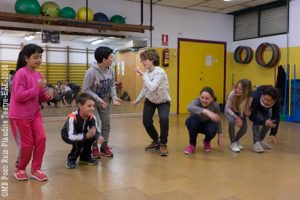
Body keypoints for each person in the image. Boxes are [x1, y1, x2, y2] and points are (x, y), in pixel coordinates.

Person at [8, 44, 54, 181]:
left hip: (34, 114)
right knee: (27, 145)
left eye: (40, 57)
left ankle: (36, 169)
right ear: (27, 58)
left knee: (41, 139)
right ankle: (20, 168)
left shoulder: (38, 74)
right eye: (35, 57)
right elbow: (19, 96)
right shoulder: (20, 74)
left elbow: (39, 96)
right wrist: (37, 88)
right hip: (19, 116)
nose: (39, 60)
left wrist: (47, 94)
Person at [82, 46, 122, 158]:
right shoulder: (91, 72)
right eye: (111, 57)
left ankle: (104, 146)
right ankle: (94, 146)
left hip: (105, 101)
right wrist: (98, 99)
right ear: (104, 59)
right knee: (95, 124)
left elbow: (111, 86)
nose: (112, 59)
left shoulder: (111, 71)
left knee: (106, 124)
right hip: (92, 102)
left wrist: (114, 97)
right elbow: (85, 89)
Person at [132, 48, 171, 156]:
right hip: (150, 100)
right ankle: (156, 140)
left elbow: (152, 87)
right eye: (142, 60)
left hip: (163, 101)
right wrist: (138, 100)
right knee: (146, 121)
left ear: (152, 59)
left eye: (145, 59)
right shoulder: (147, 73)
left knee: (164, 119)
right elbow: (146, 88)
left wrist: (142, 75)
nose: (143, 62)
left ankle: (163, 143)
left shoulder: (160, 72)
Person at [61, 93, 104, 169]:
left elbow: (95, 130)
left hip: (81, 132)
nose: (92, 108)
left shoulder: (91, 116)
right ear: (80, 105)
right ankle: (71, 159)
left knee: (92, 136)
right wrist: (86, 136)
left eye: (93, 106)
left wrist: (98, 136)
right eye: (89, 106)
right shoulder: (72, 117)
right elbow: (71, 136)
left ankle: (85, 158)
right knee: (79, 141)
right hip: (68, 135)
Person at [184, 87, 223, 154]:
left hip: (207, 125)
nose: (204, 100)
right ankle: (192, 145)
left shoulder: (215, 105)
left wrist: (220, 136)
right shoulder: (196, 101)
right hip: (195, 125)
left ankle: (207, 141)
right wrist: (205, 111)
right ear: (199, 97)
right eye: (202, 97)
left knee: (213, 128)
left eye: (207, 98)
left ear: (212, 99)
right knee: (192, 121)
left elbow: (218, 120)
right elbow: (189, 107)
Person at [249, 86, 280, 153]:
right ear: (263, 95)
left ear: (274, 101)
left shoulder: (277, 102)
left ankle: (260, 140)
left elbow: (276, 117)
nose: (265, 102)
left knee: (269, 121)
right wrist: (263, 122)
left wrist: (273, 134)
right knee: (257, 121)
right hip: (257, 108)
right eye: (265, 99)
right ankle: (256, 143)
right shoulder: (256, 98)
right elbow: (252, 116)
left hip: (266, 109)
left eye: (269, 101)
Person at [224, 79, 252, 152]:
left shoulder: (249, 98)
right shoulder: (232, 94)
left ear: (246, 91)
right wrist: (236, 118)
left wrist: (246, 114)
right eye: (237, 88)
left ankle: (236, 140)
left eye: (240, 89)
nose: (237, 90)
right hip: (229, 111)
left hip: (239, 112)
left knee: (244, 128)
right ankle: (233, 143)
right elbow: (227, 108)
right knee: (231, 122)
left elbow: (245, 111)